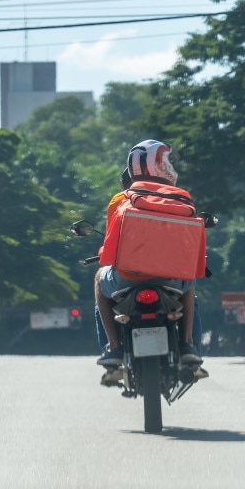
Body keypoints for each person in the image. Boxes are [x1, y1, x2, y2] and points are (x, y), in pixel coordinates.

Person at [95, 140, 206, 379]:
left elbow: (109, 253)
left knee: (98, 280)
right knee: (190, 284)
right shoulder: (183, 199)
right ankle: (188, 345)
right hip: (171, 281)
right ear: (162, 165)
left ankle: (113, 348)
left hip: (126, 280)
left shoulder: (120, 200)